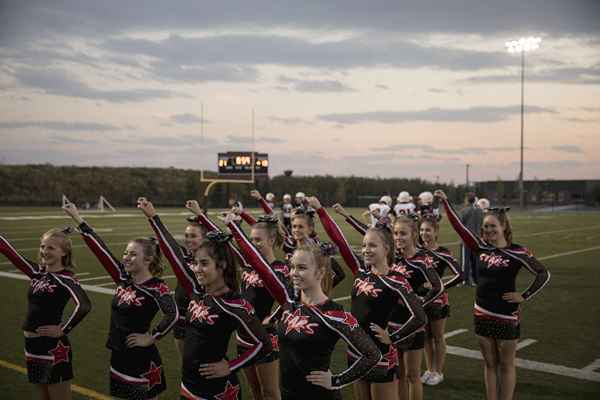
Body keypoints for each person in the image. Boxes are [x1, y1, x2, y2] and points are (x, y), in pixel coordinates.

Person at [225, 210, 382, 400]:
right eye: (292, 267)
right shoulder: (290, 303)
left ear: (320, 272)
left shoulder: (334, 314)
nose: (293, 273)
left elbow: (372, 354)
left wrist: (337, 380)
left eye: (301, 268)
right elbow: (259, 265)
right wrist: (233, 226)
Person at [140, 198, 272, 399]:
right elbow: (174, 255)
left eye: (204, 264)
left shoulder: (235, 304)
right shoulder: (197, 293)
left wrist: (231, 366)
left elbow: (264, 344)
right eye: (195, 263)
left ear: (221, 266)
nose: (197, 269)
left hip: (217, 392)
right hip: (189, 387)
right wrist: (153, 218)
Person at [435, 190, 551, 400]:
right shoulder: (479, 247)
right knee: (489, 364)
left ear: (503, 227)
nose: (488, 230)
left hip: (506, 315)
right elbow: (459, 228)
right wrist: (445, 203)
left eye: (493, 226)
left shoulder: (518, 252)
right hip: (481, 312)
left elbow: (543, 273)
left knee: (506, 365)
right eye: (486, 227)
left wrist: (524, 296)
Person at [314, 198, 427, 400]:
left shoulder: (396, 281)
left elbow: (420, 317)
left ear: (386, 249)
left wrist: (393, 337)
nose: (366, 249)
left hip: (381, 355)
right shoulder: (361, 272)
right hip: (356, 352)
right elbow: (340, 241)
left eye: (372, 245)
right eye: (364, 245)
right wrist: (321, 211)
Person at [64, 203, 178, 399]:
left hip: (141, 360)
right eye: (126, 253)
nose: (126, 258)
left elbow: (173, 313)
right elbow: (102, 251)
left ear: (148, 260)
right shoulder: (123, 278)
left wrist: (152, 336)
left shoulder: (156, 287)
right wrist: (78, 219)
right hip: (118, 355)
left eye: (133, 254)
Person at [186, 199, 286, 400]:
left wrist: (273, 318)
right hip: (242, 336)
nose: (253, 244)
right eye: (251, 239)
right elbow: (225, 243)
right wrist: (202, 217)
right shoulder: (248, 265)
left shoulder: (279, 269)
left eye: (258, 240)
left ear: (272, 240)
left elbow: (289, 300)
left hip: (264, 336)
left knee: (271, 392)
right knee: (255, 390)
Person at [0, 227, 91, 400]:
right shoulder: (37, 273)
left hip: (54, 348)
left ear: (64, 252)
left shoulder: (66, 278)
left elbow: (84, 305)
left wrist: (64, 329)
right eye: (42, 246)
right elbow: (9, 251)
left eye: (51, 248)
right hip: (32, 347)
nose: (44, 251)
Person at [418, 214, 462, 386]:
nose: (424, 233)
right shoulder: (417, 250)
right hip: (421, 300)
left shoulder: (443, 252)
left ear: (436, 232)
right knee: (426, 337)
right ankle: (429, 369)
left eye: (428, 230)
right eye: (421, 230)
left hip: (437, 301)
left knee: (438, 337)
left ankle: (438, 371)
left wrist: (439, 286)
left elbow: (460, 275)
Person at [172, 216, 208, 359]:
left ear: (204, 239)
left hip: (199, 314)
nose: (188, 239)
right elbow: (168, 244)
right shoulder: (184, 256)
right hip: (180, 312)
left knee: (203, 360)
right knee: (186, 363)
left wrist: (201, 215)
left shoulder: (211, 260)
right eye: (186, 236)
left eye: (193, 236)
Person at [460, 192, 484, 286]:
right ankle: (477, 279)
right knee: (475, 260)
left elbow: (460, 223)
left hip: (467, 238)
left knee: (466, 261)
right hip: (477, 237)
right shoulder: (479, 210)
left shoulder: (465, 210)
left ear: (467, 199)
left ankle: (466, 280)